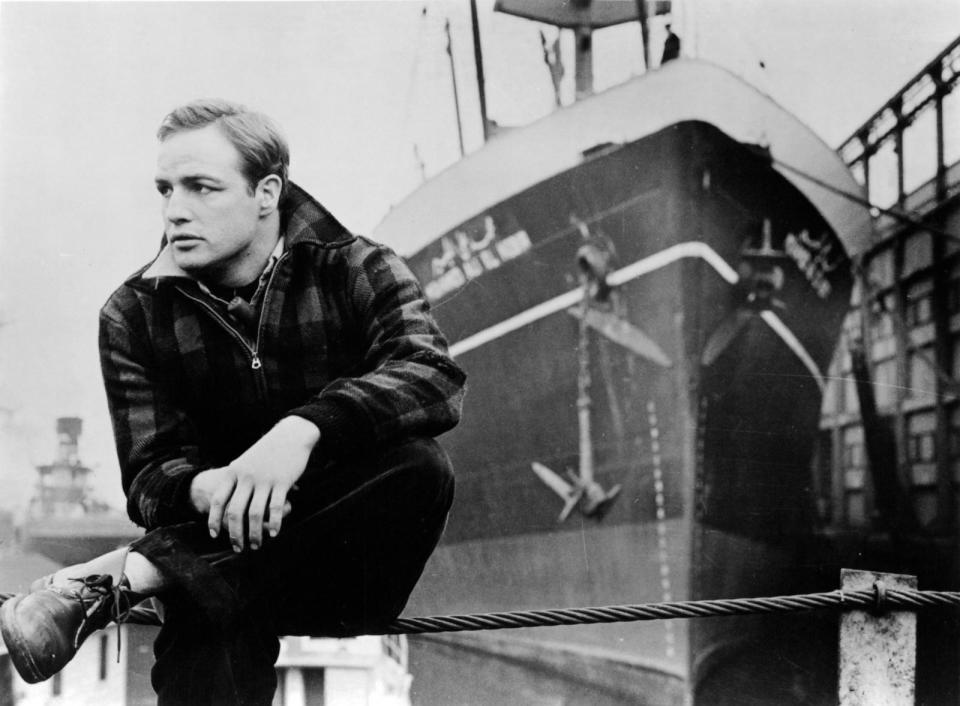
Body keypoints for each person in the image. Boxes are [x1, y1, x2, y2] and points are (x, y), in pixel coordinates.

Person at [0, 99, 466, 705]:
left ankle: (131, 575)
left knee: (419, 468)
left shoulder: (356, 267)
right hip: (213, 584)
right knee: (208, 616)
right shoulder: (133, 315)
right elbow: (150, 477)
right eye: (165, 189)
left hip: (344, 573)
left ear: (266, 192)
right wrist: (215, 489)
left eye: (201, 188)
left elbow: (432, 374)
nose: (174, 211)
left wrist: (300, 435)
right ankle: (164, 569)